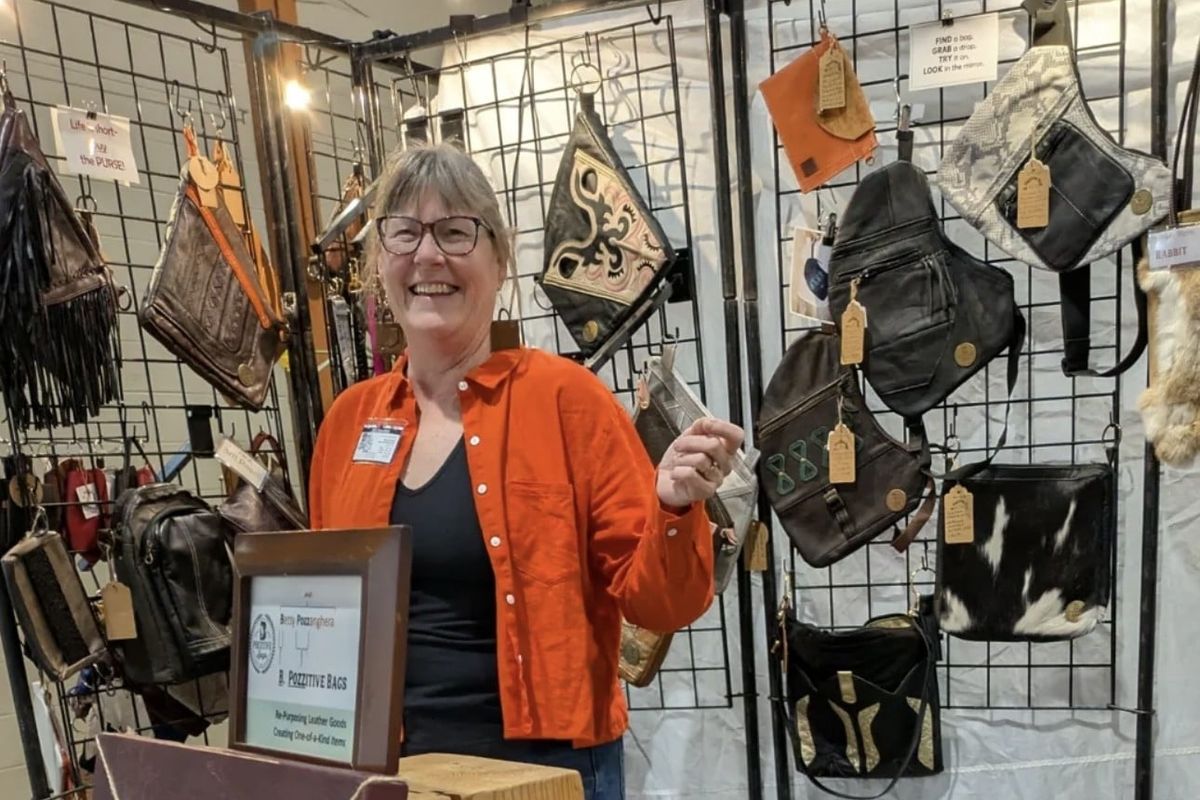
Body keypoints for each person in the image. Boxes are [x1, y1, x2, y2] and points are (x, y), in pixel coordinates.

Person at [307, 143, 744, 800]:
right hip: (387, 778)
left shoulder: (570, 402)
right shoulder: (346, 425)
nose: (429, 256)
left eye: (456, 232)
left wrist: (675, 510)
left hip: (547, 774)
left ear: (500, 260)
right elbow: (325, 615)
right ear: (379, 263)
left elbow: (662, 603)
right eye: (404, 232)